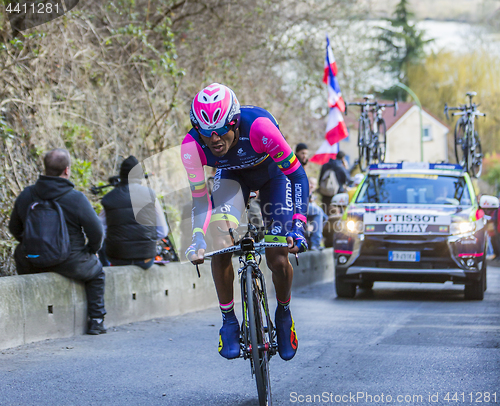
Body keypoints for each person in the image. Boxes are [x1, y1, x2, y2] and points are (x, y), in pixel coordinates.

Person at [181, 83, 309, 361]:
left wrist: (298, 224)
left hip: (273, 176)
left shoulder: (261, 129)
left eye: (220, 131)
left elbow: (298, 177)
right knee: (219, 239)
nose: (213, 139)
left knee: (277, 255)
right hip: (232, 178)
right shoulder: (192, 147)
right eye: (206, 132)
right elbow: (200, 198)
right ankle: (228, 320)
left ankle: (284, 313)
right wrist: (197, 237)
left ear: (234, 122)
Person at [9, 148, 106, 335]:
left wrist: (31, 244)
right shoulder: (75, 198)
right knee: (97, 273)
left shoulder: (27, 195)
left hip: (32, 259)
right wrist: (90, 250)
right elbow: (97, 232)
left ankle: (30, 316)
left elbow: (14, 228)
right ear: (67, 170)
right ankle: (96, 320)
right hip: (70, 261)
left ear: (44, 168)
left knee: (19, 253)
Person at [99, 156, 169, 270]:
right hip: (145, 259)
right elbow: (163, 231)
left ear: (121, 175)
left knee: (101, 247)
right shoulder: (150, 195)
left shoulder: (109, 198)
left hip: (117, 259)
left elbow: (100, 231)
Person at [306, 178, 327, 250]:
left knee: (325, 217)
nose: (312, 186)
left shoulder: (311, 194)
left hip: (307, 211)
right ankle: (315, 242)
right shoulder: (303, 190)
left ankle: (312, 238)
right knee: (318, 212)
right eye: (310, 183)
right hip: (298, 208)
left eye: (314, 184)